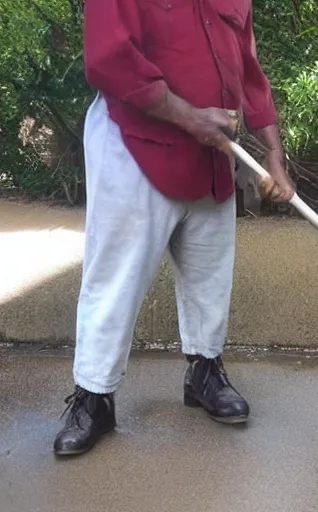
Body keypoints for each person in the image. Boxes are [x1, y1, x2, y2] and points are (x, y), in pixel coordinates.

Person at [53, 0, 295, 456]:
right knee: (116, 278)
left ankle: (205, 373)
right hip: (135, 145)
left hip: (213, 151)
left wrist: (273, 153)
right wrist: (189, 117)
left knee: (210, 273)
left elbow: (248, 70)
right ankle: (93, 397)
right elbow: (107, 57)